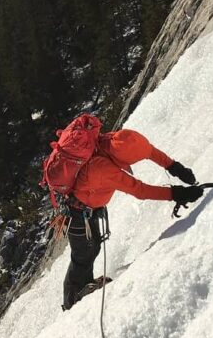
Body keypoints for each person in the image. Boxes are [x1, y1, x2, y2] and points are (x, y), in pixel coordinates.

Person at [62, 128, 203, 310]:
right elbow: (139, 190)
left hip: (85, 212)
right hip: (79, 216)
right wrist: (177, 193)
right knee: (84, 254)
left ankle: (84, 286)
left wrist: (174, 166)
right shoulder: (102, 168)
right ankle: (72, 300)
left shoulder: (116, 141)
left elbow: (150, 151)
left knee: (92, 247)